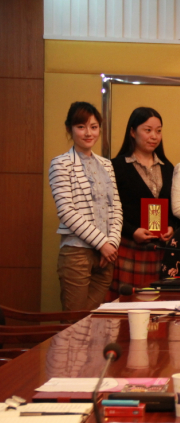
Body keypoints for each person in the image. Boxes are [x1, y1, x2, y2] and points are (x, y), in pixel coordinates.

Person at [49, 102, 123, 311]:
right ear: (69, 129)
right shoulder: (60, 164)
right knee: (74, 320)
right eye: (81, 127)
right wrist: (102, 243)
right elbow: (66, 211)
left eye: (94, 127)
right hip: (77, 252)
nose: (88, 133)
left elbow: (116, 207)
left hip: (106, 255)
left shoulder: (107, 164)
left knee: (93, 319)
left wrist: (112, 243)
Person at [111, 107, 175, 293]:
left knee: (158, 303)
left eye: (158, 131)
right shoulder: (116, 166)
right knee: (128, 302)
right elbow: (109, 210)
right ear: (132, 132)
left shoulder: (168, 167)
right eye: (148, 130)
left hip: (159, 249)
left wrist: (171, 227)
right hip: (128, 246)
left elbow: (174, 207)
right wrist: (132, 231)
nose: (154, 136)